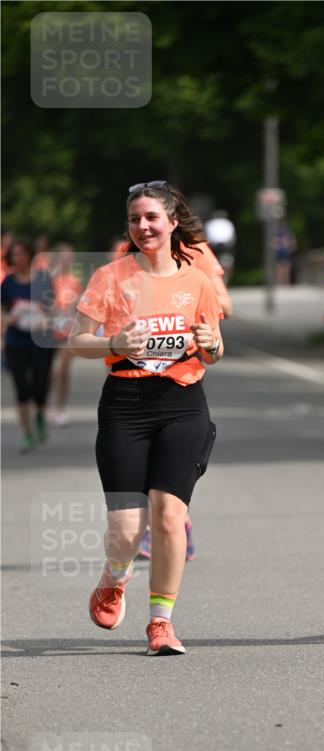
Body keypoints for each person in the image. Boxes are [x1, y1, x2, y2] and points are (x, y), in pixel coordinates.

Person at [69, 181, 223, 655]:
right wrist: (114, 344)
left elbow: (214, 348)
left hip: (182, 404)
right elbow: (77, 340)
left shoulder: (196, 280)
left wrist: (211, 344)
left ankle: (161, 622)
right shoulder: (111, 278)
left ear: (173, 222)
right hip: (125, 405)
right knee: (126, 530)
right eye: (135, 219)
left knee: (171, 516)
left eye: (152, 218)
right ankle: (115, 577)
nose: (143, 227)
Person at [1, 238, 56, 452]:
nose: (19, 258)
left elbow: (52, 307)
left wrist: (46, 318)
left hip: (41, 339)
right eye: (15, 255)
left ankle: (40, 413)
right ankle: (26, 433)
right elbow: (2, 309)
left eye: (23, 254)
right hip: (16, 340)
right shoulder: (8, 283)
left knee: (40, 385)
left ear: (30, 255)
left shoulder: (43, 279)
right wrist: (7, 319)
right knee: (22, 388)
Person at [49, 243, 83, 426]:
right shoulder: (48, 279)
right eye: (65, 258)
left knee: (63, 370)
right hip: (49, 329)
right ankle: (44, 405)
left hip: (67, 329)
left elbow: (80, 303)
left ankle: (60, 408)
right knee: (48, 371)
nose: (69, 261)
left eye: (71, 258)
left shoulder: (73, 280)